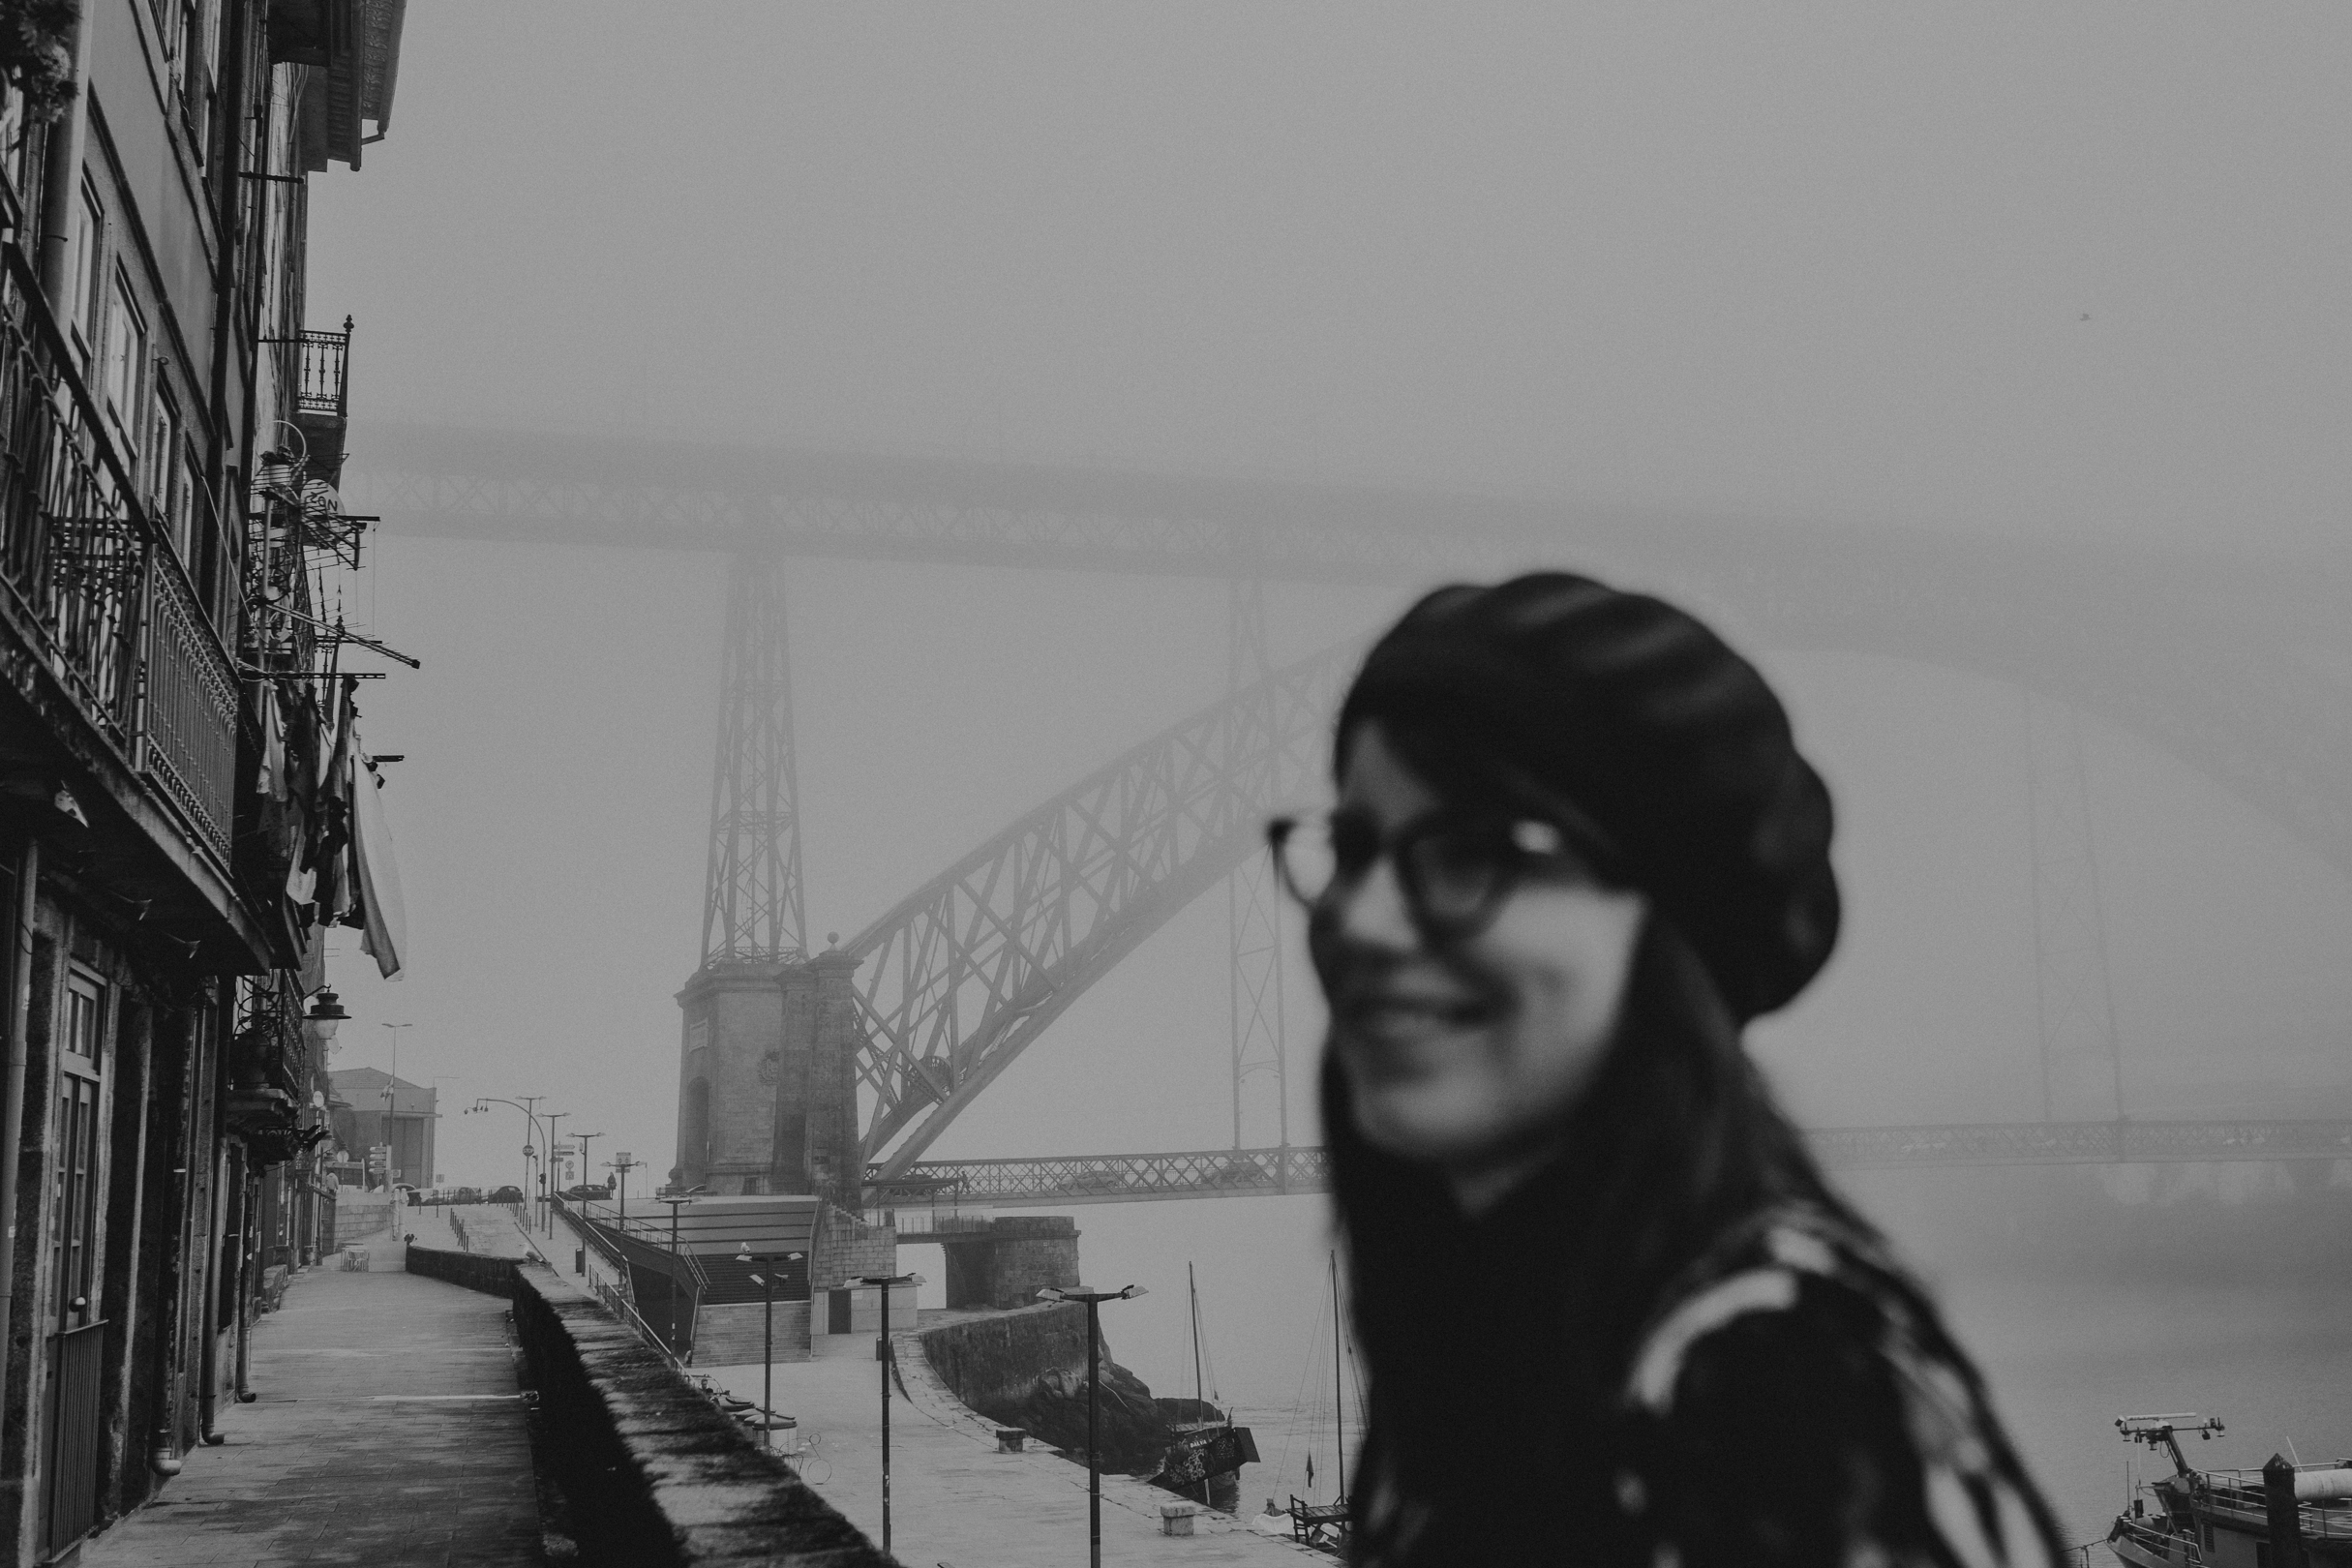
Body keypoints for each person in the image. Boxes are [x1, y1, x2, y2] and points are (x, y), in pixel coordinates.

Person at [1268, 573, 2065, 1567]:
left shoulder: (1771, 1388)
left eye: (1472, 852)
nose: (1361, 919)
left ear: (1663, 936)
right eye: (1352, 847)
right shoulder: (1501, 1346)